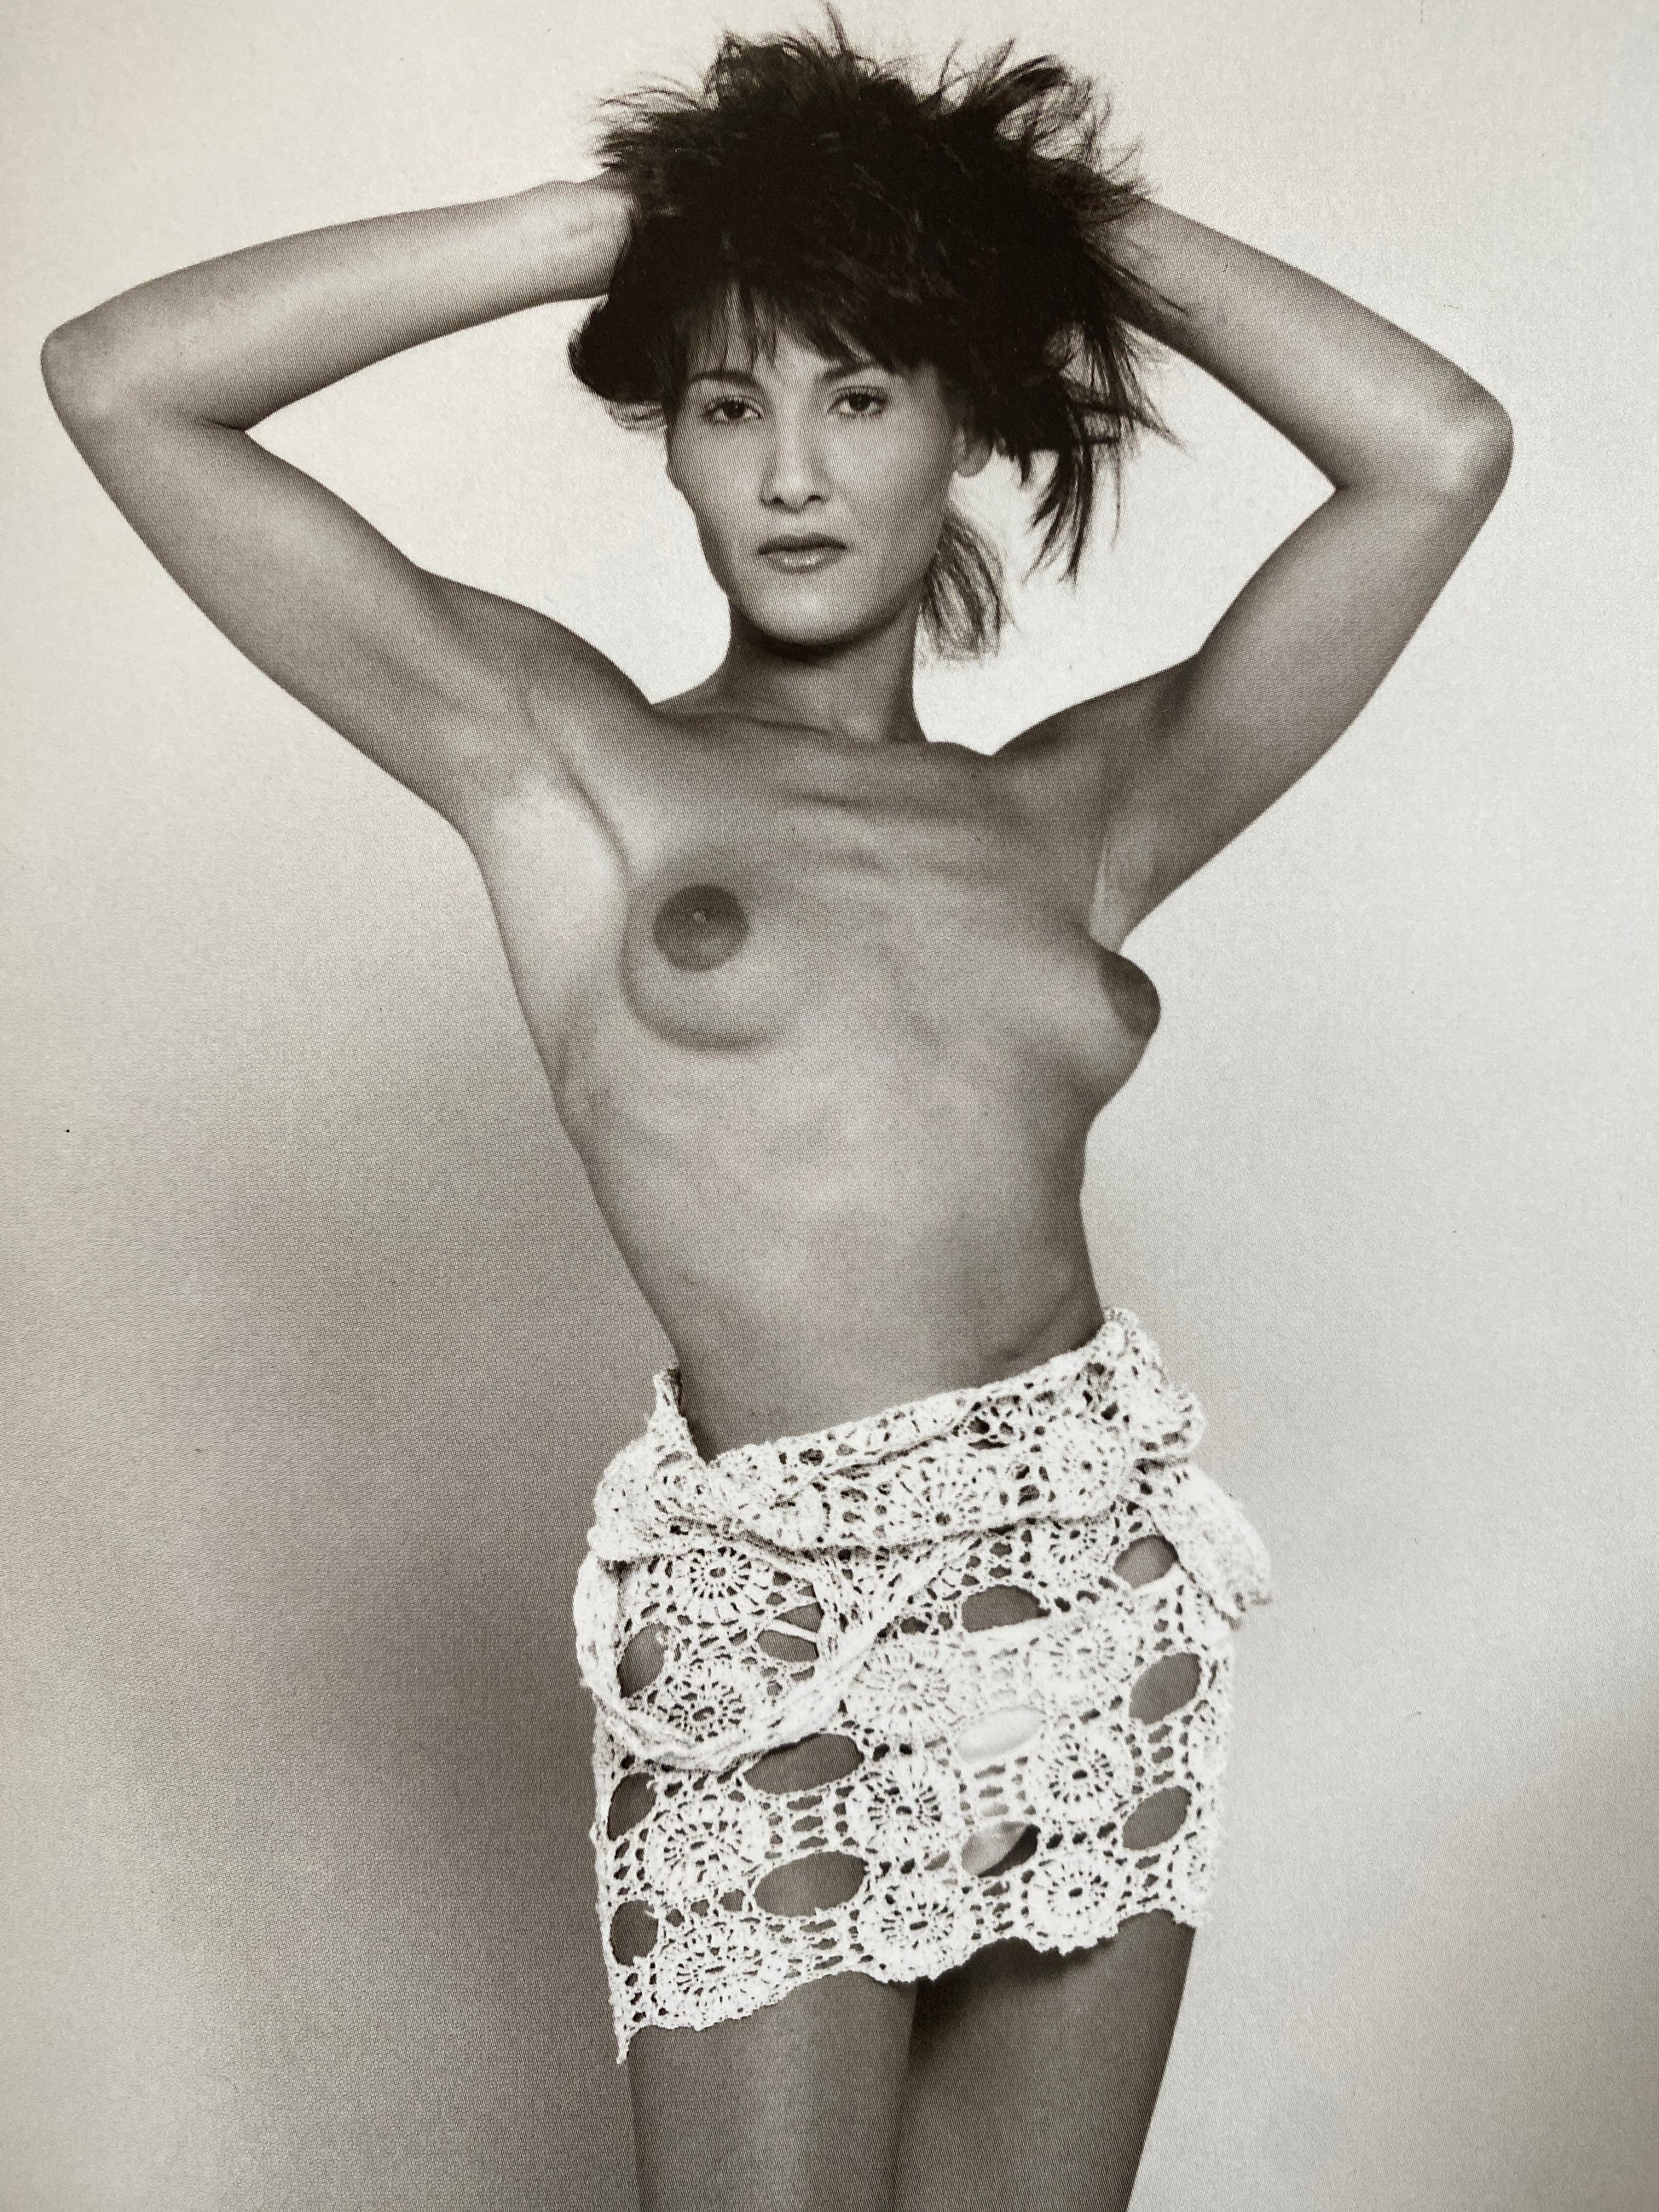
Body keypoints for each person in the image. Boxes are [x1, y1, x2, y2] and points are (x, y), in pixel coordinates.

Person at [40, 19, 1511, 2211]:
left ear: (964, 422)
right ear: (674, 443)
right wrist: (628, 224)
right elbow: (119, 378)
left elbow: (1439, 449)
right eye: (729, 403)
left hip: (1093, 1590)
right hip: (772, 1624)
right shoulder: (569, 761)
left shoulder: (1082, 812)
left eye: (860, 393)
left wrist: (1024, 217)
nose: (792, 472)